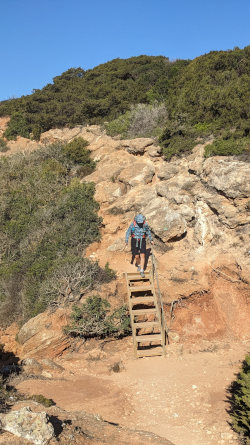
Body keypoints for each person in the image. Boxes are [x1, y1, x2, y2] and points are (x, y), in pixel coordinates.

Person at [125, 213, 153, 278]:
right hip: (134, 241)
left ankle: (142, 270)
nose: (140, 224)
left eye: (141, 222)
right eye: (139, 223)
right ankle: (139, 265)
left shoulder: (145, 224)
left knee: (142, 255)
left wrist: (151, 240)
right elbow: (128, 232)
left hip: (142, 240)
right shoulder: (133, 224)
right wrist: (126, 240)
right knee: (137, 256)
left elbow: (148, 231)